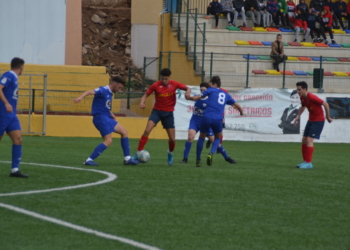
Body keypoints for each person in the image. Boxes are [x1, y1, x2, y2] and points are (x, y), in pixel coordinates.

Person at [73, 76, 139, 166]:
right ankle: (89, 160)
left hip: (107, 117)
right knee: (108, 141)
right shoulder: (103, 89)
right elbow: (89, 92)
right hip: (100, 118)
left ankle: (127, 159)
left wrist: (111, 113)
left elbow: (105, 105)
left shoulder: (110, 93)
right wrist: (80, 97)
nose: (119, 90)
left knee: (124, 132)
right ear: (114, 84)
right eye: (119, 87)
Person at [133, 68, 191, 165]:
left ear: (169, 78)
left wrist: (187, 93)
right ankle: (138, 152)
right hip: (157, 112)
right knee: (147, 130)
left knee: (172, 139)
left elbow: (187, 88)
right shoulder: (156, 85)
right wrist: (142, 103)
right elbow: (145, 95)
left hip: (168, 114)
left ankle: (170, 152)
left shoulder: (174, 84)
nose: (164, 81)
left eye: (166, 79)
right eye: (163, 79)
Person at [185, 77, 244, 167]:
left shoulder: (210, 90)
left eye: (210, 84)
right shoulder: (225, 94)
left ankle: (198, 160)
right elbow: (236, 105)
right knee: (217, 138)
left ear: (214, 84)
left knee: (201, 138)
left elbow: (199, 96)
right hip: (217, 119)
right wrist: (241, 112)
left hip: (206, 118)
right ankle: (211, 153)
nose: (209, 86)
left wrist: (190, 98)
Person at [293, 81, 332, 169]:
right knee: (304, 139)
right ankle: (305, 161)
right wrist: (297, 116)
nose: (298, 91)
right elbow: (303, 107)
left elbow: (326, 104)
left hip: (318, 121)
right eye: (297, 89)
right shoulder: (302, 98)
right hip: (311, 120)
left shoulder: (312, 97)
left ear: (305, 89)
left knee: (309, 140)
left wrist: (328, 117)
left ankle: (309, 163)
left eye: (299, 89)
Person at [0, 57, 28, 178]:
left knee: (18, 139)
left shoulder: (14, 78)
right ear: (21, 67)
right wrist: (6, 103)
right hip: (2, 113)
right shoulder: (9, 75)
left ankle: (15, 170)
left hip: (11, 115)